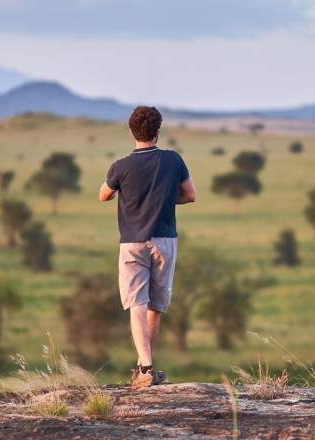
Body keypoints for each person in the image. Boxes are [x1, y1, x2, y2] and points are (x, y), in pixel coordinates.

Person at [98, 106, 196, 388]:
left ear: (132, 131)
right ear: (158, 131)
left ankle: (146, 369)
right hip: (165, 239)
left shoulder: (120, 165)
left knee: (136, 305)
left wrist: (128, 193)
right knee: (154, 306)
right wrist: (163, 199)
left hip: (131, 242)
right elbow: (190, 195)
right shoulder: (173, 159)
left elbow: (104, 195)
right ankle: (146, 369)